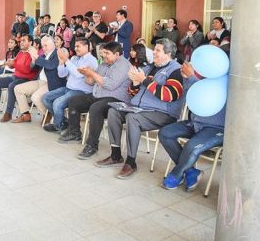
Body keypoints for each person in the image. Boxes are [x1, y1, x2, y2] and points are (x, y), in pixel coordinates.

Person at [99, 38, 184, 179]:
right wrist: (135, 83)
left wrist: (144, 80)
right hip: (139, 108)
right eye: (154, 49)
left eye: (158, 50)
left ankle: (131, 162)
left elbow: (169, 95)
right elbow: (132, 92)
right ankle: (115, 155)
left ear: (168, 53)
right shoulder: (150, 67)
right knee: (113, 111)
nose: (154, 52)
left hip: (163, 113)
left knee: (133, 118)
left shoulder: (176, 70)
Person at [160, 62, 226, 191]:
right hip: (195, 123)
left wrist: (191, 77)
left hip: (216, 128)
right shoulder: (203, 79)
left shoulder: (226, 82)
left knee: (191, 146)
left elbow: (207, 94)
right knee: (165, 133)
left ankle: (176, 174)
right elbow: (190, 97)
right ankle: (190, 171)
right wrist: (186, 78)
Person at [60, 42, 131, 156]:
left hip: (115, 99)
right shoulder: (104, 63)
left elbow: (110, 85)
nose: (103, 55)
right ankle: (74, 132)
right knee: (74, 100)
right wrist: (87, 74)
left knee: (95, 108)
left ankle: (92, 145)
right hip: (98, 95)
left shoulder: (124, 65)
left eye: (107, 53)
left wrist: (92, 73)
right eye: (103, 53)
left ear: (117, 54)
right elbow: (90, 82)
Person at [42, 36, 98, 132]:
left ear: (86, 47)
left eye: (78, 46)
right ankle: (62, 122)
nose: (75, 48)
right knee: (45, 98)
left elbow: (78, 74)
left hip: (81, 91)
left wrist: (66, 60)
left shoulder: (91, 60)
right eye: (75, 46)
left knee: (57, 103)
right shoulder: (74, 58)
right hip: (68, 88)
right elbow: (62, 74)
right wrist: (61, 63)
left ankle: (58, 126)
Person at [0, 35, 39, 122]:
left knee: (11, 86)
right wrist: (10, 64)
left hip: (26, 79)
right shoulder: (20, 52)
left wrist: (14, 64)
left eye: (24, 40)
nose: (21, 42)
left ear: (30, 42)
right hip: (15, 76)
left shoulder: (32, 54)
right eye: (21, 41)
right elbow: (15, 64)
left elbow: (27, 69)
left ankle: (8, 113)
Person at [12, 36, 66, 123]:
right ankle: (26, 115)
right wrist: (33, 60)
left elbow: (50, 65)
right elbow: (33, 67)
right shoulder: (44, 55)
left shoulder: (57, 53)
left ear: (53, 45)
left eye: (46, 46)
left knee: (35, 97)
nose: (44, 48)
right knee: (18, 89)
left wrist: (36, 56)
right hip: (40, 81)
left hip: (52, 83)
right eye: (42, 46)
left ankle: (47, 113)